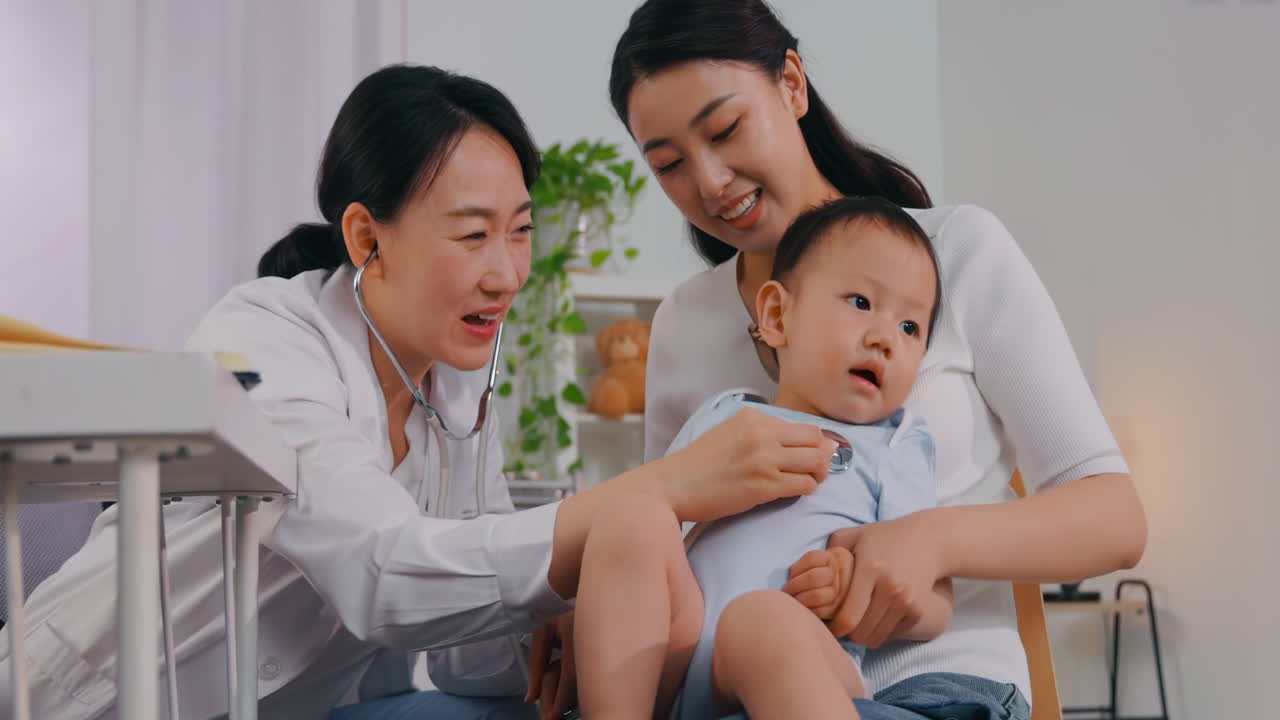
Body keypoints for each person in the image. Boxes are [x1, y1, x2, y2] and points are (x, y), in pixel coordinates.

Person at [0, 64, 838, 720]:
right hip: (83, 704)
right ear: (367, 237)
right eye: (473, 235)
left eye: (519, 231)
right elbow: (384, 577)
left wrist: (560, 614)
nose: (507, 274)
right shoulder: (265, 338)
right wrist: (654, 491)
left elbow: (470, 659)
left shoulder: (458, 391)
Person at [600, 0, 1148, 717]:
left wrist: (930, 542)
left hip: (935, 692)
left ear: (791, 84)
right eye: (669, 164)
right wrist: (585, 609)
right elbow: (660, 533)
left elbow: (1114, 519)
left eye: (726, 130)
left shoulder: (957, 251)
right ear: (774, 316)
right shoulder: (684, 322)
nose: (708, 182)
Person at [569, 197, 955, 720]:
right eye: (861, 302)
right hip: (674, 652)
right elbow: (657, 526)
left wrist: (854, 584)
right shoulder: (724, 416)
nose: (885, 338)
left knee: (759, 620)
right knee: (631, 514)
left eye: (910, 328)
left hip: (797, 655)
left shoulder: (891, 445)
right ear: (777, 315)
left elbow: (935, 605)